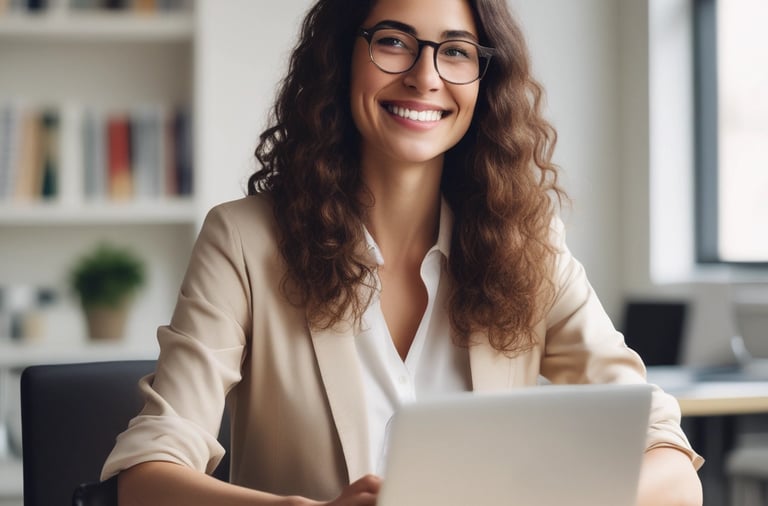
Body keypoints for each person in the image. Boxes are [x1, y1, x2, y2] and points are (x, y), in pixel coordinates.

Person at [103, 0, 704, 504]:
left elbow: (671, 465)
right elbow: (147, 476)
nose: (425, 76)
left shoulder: (528, 243)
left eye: (457, 50)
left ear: (483, 79)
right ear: (342, 58)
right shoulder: (243, 240)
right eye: (393, 42)